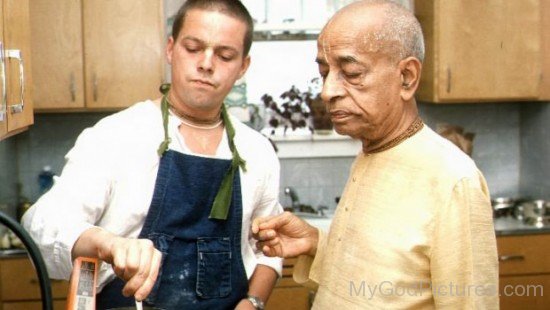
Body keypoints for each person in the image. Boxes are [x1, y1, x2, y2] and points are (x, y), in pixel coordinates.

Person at [22, 1, 282, 309]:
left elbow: (268, 249)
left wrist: (253, 302)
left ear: (243, 66)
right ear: (171, 49)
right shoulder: (116, 135)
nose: (206, 64)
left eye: (225, 55)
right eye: (193, 48)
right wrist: (108, 244)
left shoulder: (256, 150)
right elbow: (44, 223)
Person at [253, 0, 499, 309]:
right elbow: (386, 280)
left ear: (407, 77)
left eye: (351, 73)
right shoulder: (373, 150)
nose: (328, 91)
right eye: (325, 73)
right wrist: (316, 243)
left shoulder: (453, 179)